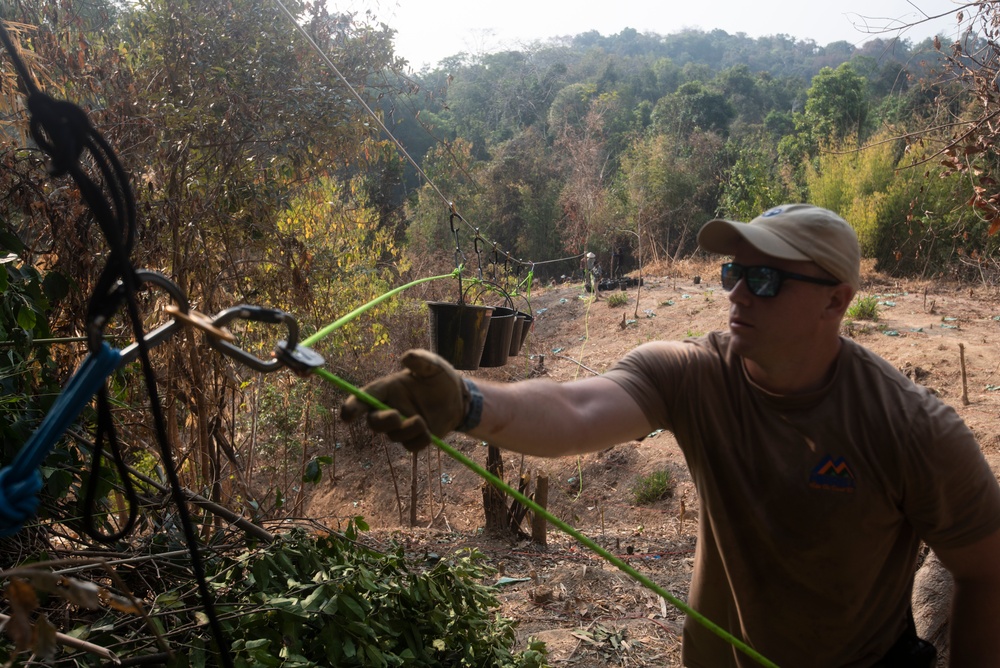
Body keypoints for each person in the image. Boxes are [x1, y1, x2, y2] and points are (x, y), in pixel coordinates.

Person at [341, 204, 1000, 667]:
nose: (738, 294)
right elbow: (575, 410)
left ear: (836, 300)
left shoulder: (911, 427)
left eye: (765, 279)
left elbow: (987, 570)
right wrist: (468, 400)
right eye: (732, 273)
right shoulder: (692, 373)